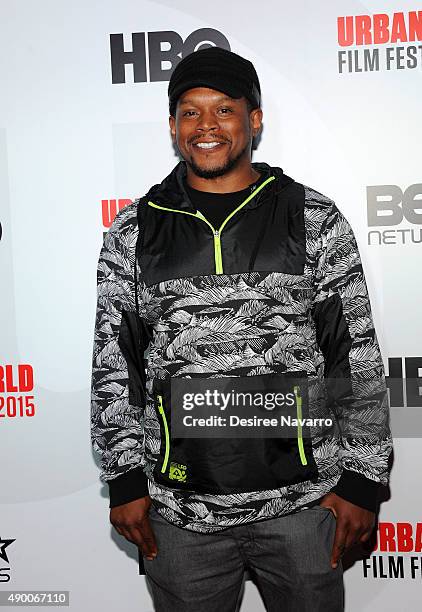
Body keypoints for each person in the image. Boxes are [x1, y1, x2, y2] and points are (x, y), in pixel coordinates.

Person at [91, 46, 392, 611]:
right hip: (180, 514)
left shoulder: (311, 216)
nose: (206, 126)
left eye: (223, 109)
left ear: (253, 120)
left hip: (303, 506)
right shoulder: (134, 228)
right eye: (189, 111)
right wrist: (126, 480)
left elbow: (354, 354)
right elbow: (116, 361)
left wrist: (361, 480)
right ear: (173, 126)